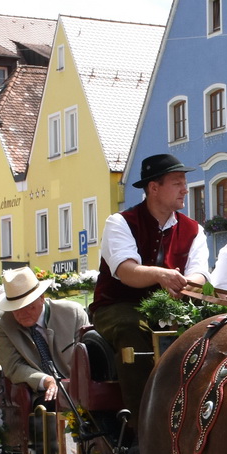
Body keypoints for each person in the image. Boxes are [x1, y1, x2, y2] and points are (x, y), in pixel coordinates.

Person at [89, 153, 210, 412]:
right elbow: (126, 271)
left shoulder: (194, 229)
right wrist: (161, 275)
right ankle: (142, 419)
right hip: (117, 305)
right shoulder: (120, 222)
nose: (185, 189)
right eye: (177, 183)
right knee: (131, 328)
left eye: (184, 182)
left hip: (173, 307)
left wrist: (185, 283)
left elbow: (200, 274)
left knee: (211, 329)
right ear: (154, 188)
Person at [0, 267, 87, 406]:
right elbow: (12, 366)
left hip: (77, 386)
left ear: (42, 298)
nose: (22, 314)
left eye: (29, 306)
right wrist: (45, 381)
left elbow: (87, 359)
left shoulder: (72, 313)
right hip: (39, 391)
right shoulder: (1, 321)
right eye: (15, 309)